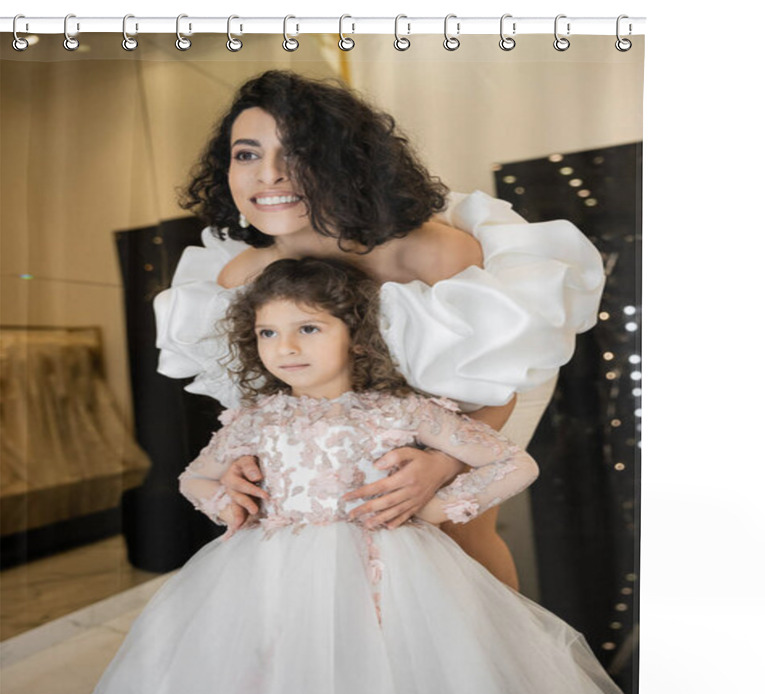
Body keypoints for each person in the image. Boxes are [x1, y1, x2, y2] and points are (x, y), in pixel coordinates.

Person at [73, 258, 634, 694]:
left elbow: (515, 461)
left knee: (394, 681)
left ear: (356, 335)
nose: (285, 347)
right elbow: (193, 477)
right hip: (270, 574)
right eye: (268, 333)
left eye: (308, 329)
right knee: (278, 683)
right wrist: (228, 502)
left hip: (390, 572)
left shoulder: (400, 410)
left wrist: (438, 507)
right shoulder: (257, 418)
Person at [155, 70, 606, 591]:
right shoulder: (241, 278)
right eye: (248, 154)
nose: (268, 175)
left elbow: (500, 377)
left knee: (456, 529)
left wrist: (442, 463)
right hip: (343, 401)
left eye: (297, 153)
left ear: (346, 162)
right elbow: (263, 397)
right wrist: (244, 460)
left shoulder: (436, 253)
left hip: (475, 393)